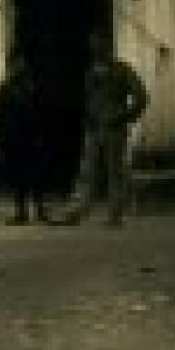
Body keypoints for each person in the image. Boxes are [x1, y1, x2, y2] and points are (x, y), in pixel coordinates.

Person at [65, 31, 149, 226]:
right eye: (93, 45)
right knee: (87, 171)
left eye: (99, 44)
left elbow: (142, 97)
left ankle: (115, 214)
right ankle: (77, 211)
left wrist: (124, 117)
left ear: (108, 46)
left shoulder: (122, 70)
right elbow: (86, 100)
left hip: (114, 128)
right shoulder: (89, 73)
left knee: (115, 171)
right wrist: (87, 118)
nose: (95, 49)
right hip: (94, 128)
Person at [0, 53, 53, 225]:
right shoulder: (5, 89)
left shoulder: (33, 87)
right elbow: (0, 117)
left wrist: (43, 135)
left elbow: (42, 113)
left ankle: (39, 209)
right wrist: (0, 139)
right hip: (14, 138)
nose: (19, 67)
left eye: (21, 63)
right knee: (18, 177)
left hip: (31, 137)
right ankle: (22, 211)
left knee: (36, 175)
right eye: (16, 64)